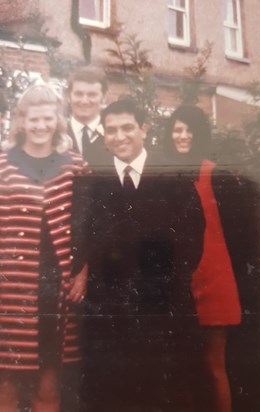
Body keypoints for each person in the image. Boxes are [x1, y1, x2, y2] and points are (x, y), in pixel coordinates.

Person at [83, 99, 206, 411]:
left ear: (144, 129)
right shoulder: (94, 181)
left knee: (166, 394)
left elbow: (192, 241)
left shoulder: (172, 174)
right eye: (111, 130)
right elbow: (87, 242)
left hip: (163, 312)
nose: (119, 136)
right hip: (112, 317)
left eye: (127, 128)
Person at [0, 84, 88, 412]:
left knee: (49, 380)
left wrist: (84, 271)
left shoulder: (74, 164)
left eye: (47, 118)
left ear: (58, 121)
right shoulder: (3, 163)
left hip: (57, 285)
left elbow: (86, 224)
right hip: (10, 288)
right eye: (33, 119)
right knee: (7, 381)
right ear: (21, 122)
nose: (40, 126)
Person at [164, 105, 249, 412]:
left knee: (214, 366)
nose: (182, 135)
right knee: (181, 368)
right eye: (177, 129)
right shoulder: (165, 173)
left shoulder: (213, 173)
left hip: (213, 281)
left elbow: (238, 233)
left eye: (188, 130)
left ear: (199, 134)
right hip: (178, 283)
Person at [66, 65, 108, 168]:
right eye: (79, 94)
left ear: (104, 98)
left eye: (92, 95)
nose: (84, 101)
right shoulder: (56, 134)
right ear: (68, 96)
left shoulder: (112, 134)